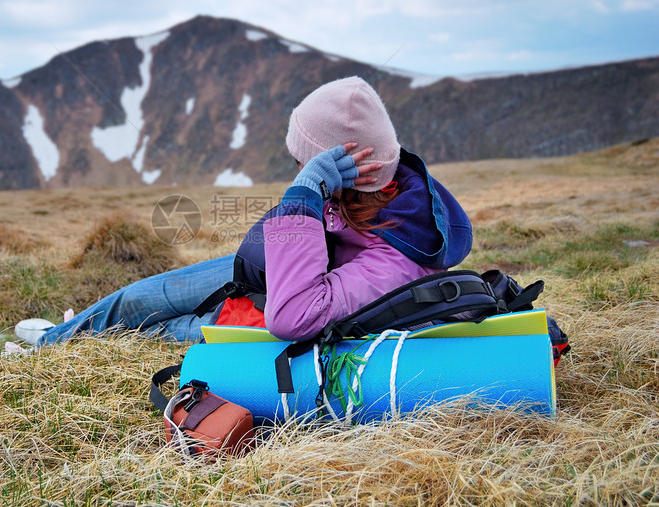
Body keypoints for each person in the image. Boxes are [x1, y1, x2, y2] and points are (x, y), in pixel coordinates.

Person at [24, 76, 472, 347]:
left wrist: (304, 195)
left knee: (150, 333)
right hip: (266, 273)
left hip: (268, 317)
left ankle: (58, 342)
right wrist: (314, 195)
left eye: (305, 160)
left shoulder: (399, 253)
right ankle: (49, 341)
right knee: (137, 299)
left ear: (346, 168)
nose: (299, 168)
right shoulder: (353, 196)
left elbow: (294, 315)